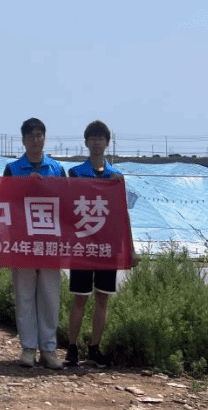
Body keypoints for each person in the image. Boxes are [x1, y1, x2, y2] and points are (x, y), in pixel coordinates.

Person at [65, 120, 139, 368]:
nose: (97, 143)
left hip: (107, 247)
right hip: (83, 247)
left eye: (101, 139)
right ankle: (72, 348)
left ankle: (95, 348)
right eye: (93, 138)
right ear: (86, 142)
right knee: (80, 298)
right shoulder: (75, 174)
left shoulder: (116, 177)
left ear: (107, 143)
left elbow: (123, 215)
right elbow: (66, 211)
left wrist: (131, 249)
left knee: (103, 298)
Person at [3, 117, 67, 370]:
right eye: (30, 136)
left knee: (50, 296)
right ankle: (28, 348)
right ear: (23, 140)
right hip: (23, 242)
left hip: (50, 242)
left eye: (39, 135)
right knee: (25, 296)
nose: (35, 140)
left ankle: (49, 350)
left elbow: (67, 204)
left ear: (44, 138)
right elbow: (5, 202)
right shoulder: (13, 169)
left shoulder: (57, 169)